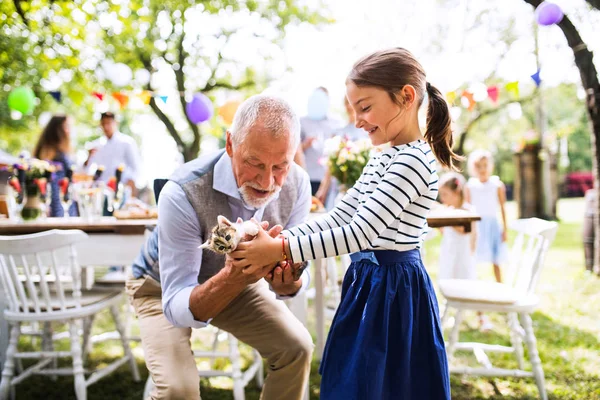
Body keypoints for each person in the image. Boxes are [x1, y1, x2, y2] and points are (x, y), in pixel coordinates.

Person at [232, 48, 458, 399]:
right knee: (354, 381)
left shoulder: (413, 161)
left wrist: (278, 248)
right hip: (367, 283)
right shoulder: (383, 156)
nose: (357, 120)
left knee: (389, 384)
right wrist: (280, 238)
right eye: (353, 110)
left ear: (406, 97)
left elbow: (360, 233)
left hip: (395, 292)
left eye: (365, 107)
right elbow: (339, 217)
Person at [125, 95, 313, 400]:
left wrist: (289, 280)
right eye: (254, 163)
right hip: (159, 288)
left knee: (296, 348)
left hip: (239, 284)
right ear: (230, 145)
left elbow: (295, 271)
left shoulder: (298, 185)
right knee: (178, 390)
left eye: (280, 166)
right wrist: (233, 277)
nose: (267, 181)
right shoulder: (182, 191)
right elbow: (177, 308)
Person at [437, 172, 492, 331]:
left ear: (456, 193)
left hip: (464, 254)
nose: (442, 199)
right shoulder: (448, 210)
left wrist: (447, 216)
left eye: (445, 194)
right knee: (448, 279)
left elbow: (464, 230)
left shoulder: (467, 210)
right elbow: (444, 231)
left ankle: (481, 316)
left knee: (470, 282)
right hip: (449, 251)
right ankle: (448, 313)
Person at [315, 96, 367, 209]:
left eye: (352, 103)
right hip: (339, 187)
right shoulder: (338, 132)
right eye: (347, 103)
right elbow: (330, 166)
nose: (349, 106)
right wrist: (322, 190)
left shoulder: (367, 131)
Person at [465, 149, 508, 283]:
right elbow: (467, 209)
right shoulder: (470, 186)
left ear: (490, 165)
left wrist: (505, 230)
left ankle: (500, 285)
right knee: (473, 258)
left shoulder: (497, 185)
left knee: (496, 259)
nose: (482, 169)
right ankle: (472, 283)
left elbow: (502, 208)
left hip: (493, 226)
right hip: (477, 227)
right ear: (473, 167)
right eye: (478, 166)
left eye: (485, 165)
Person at [294, 87, 342, 195]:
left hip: (328, 176)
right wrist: (306, 144)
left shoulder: (336, 122)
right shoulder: (301, 121)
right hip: (308, 174)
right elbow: (295, 148)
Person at [84, 111, 141, 192]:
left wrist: (130, 183)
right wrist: (88, 157)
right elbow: (87, 169)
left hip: (122, 188)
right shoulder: (96, 145)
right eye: (103, 123)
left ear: (116, 123)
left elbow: (136, 167)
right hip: (102, 189)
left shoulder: (127, 142)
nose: (106, 127)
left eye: (109, 123)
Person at [33, 114, 77, 217]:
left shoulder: (49, 151)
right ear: (58, 130)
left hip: (60, 196)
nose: (69, 130)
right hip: (56, 198)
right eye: (66, 126)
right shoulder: (55, 153)